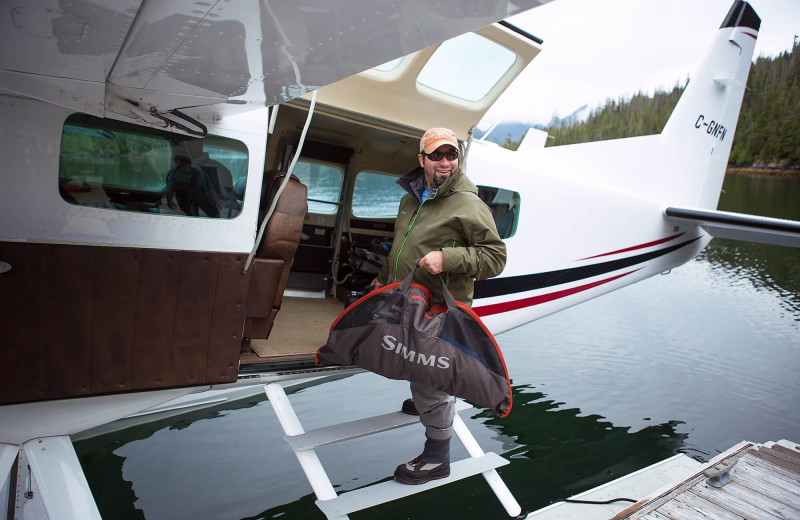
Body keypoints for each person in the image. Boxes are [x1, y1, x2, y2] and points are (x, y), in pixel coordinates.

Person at [371, 127, 507, 484]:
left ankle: (437, 457)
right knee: (413, 360)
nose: (445, 162)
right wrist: (383, 279)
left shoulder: (468, 203)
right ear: (422, 160)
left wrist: (448, 259)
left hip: (438, 309)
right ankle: (423, 399)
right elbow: (401, 246)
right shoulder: (411, 199)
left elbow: (495, 258)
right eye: (437, 155)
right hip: (407, 300)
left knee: (431, 374)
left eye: (451, 155)